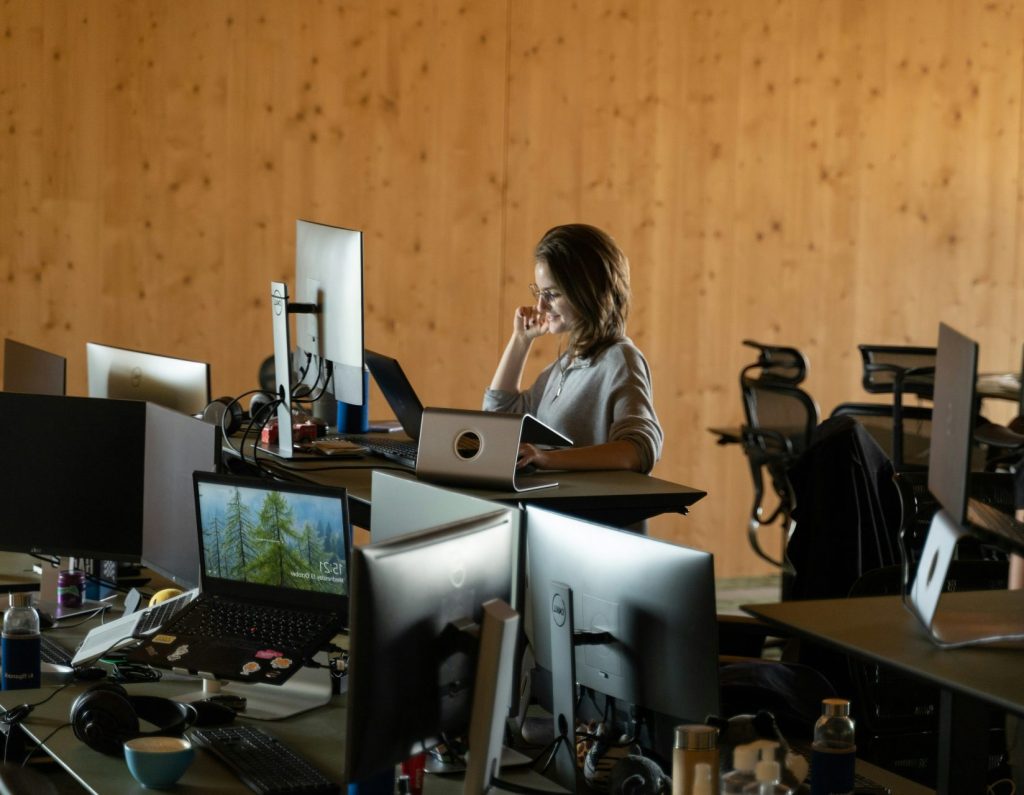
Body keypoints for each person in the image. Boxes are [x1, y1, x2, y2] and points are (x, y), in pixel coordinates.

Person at [483, 223, 663, 474]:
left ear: (585, 292)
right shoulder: (562, 368)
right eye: (539, 292)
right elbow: (498, 418)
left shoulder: (620, 359)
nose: (541, 306)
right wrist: (520, 340)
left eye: (552, 294)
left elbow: (638, 450)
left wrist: (547, 459)